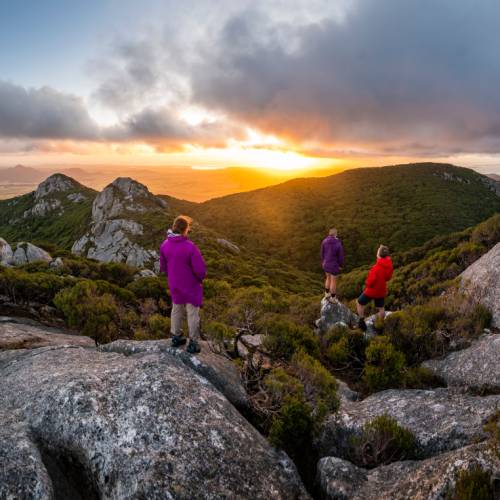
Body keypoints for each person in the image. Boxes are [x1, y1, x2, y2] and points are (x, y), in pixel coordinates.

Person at [159, 215, 206, 354]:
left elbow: (163, 266)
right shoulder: (190, 247)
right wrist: (199, 279)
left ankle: (176, 336)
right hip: (190, 285)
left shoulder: (165, 245)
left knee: (176, 309)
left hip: (174, 283)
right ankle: (193, 342)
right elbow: (200, 270)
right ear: (185, 229)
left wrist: (173, 276)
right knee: (192, 313)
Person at [356, 245, 393, 331]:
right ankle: (381, 323)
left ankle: (361, 322)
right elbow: (388, 278)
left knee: (359, 303)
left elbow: (370, 282)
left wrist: (366, 284)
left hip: (372, 290)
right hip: (381, 290)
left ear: (379, 255)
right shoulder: (389, 265)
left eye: (377, 251)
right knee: (381, 307)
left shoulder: (376, 267)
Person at [321, 228, 345, 302]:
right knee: (333, 281)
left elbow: (322, 253)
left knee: (328, 278)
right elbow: (340, 256)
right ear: (335, 234)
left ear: (329, 234)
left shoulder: (324, 241)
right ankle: (333, 298)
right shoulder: (338, 244)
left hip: (326, 264)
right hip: (334, 265)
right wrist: (340, 265)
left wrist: (323, 261)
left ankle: (327, 293)